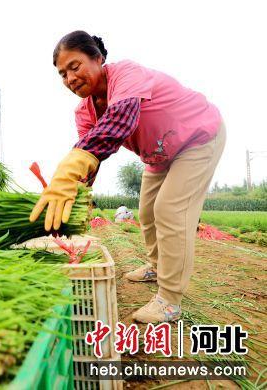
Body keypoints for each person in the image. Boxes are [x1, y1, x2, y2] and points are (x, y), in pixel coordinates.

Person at [29, 30, 225, 323]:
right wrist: (78, 193)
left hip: (197, 137)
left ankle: (170, 300)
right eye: (62, 74)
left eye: (75, 66)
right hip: (158, 155)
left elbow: (120, 120)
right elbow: (89, 158)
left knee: (170, 211)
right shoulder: (84, 112)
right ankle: (156, 267)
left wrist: (74, 165)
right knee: (146, 213)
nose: (70, 78)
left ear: (98, 59)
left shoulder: (126, 75)